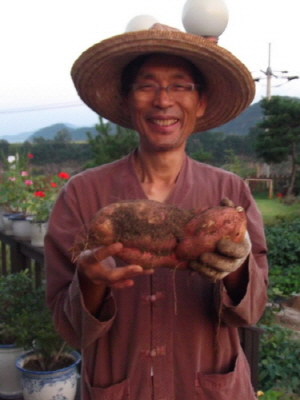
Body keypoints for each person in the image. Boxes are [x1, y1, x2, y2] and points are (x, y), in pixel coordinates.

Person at [45, 23, 268, 400]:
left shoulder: (231, 193)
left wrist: (236, 268)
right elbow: (68, 327)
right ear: (127, 100)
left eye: (180, 85)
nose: (163, 100)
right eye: (147, 85)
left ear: (200, 102)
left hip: (209, 389)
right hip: (119, 388)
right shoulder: (82, 195)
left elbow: (252, 311)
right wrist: (91, 281)